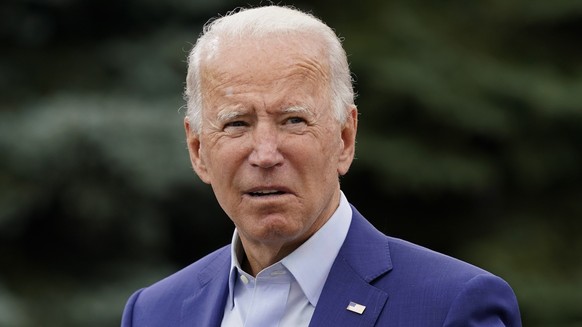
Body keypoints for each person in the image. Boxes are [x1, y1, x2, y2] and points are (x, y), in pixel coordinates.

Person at [121, 5, 521, 327]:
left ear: (345, 139)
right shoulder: (154, 313)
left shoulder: (450, 307)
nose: (264, 154)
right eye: (236, 124)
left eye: (293, 120)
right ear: (197, 150)